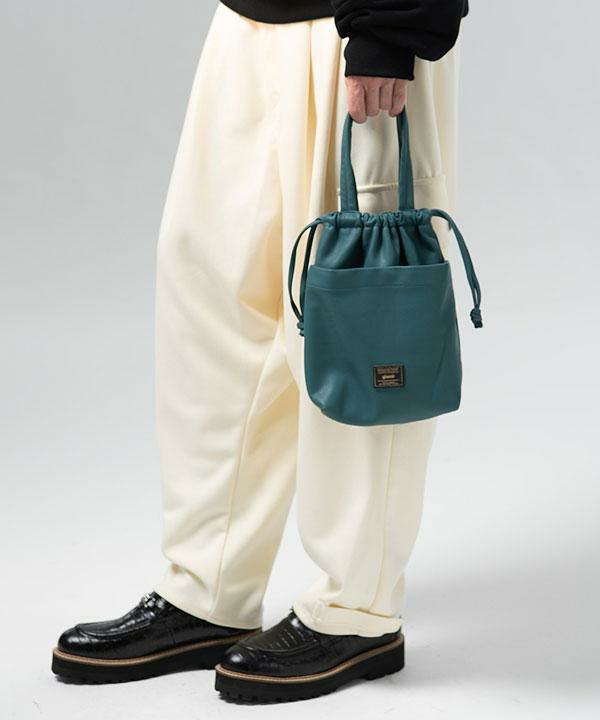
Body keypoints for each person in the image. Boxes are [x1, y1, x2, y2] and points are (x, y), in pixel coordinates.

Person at [51, 0, 469, 703]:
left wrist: (391, 27)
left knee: (361, 312)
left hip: (358, 29)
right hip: (245, 23)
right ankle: (209, 589)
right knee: (212, 292)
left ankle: (357, 608)